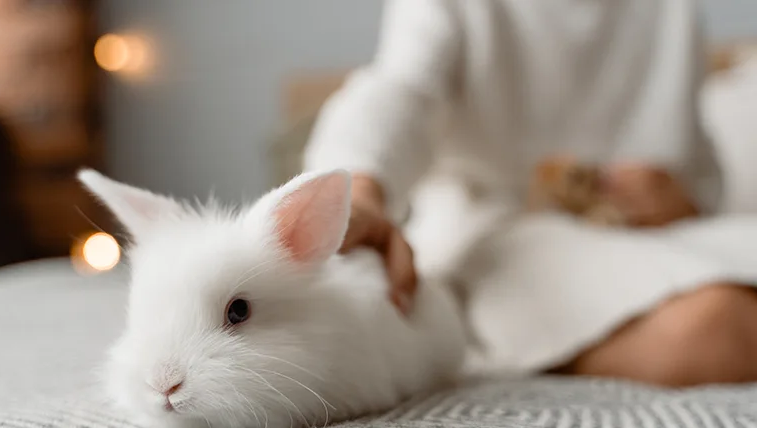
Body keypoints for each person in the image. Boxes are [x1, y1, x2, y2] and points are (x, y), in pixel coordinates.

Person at [304, 0, 757, 387]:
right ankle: (513, 345)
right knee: (718, 326)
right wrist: (362, 193)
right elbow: (400, 91)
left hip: (653, 237)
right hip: (499, 237)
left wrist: (679, 197)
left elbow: (704, 168)